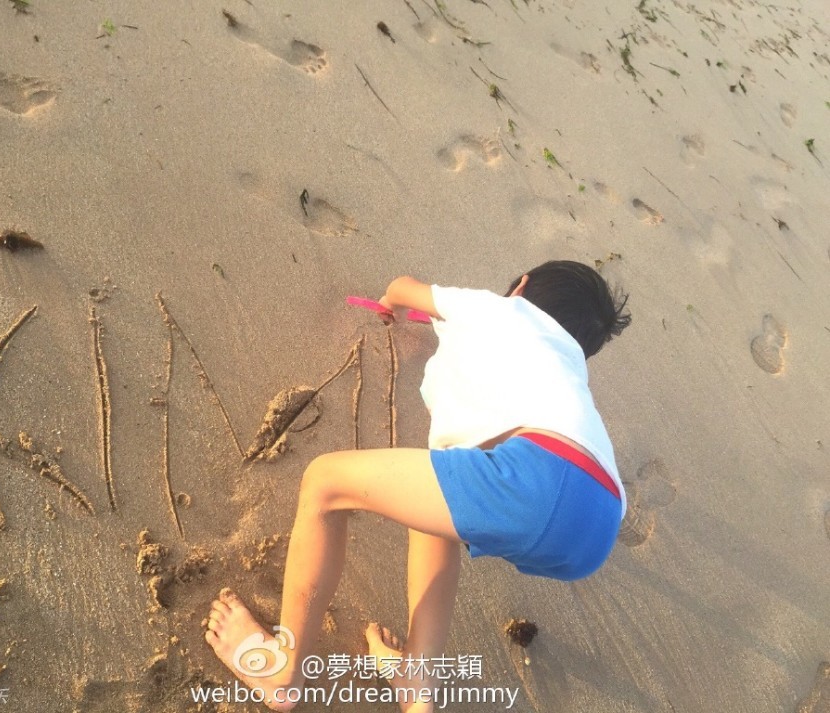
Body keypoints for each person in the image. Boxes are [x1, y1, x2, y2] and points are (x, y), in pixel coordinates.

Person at [204, 260, 631, 712]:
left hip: (539, 480)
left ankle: (284, 672)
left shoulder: (503, 309)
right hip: (599, 524)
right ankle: (417, 678)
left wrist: (393, 304)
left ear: (521, 288)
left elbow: (402, 287)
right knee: (435, 513)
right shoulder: (570, 380)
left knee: (323, 482)